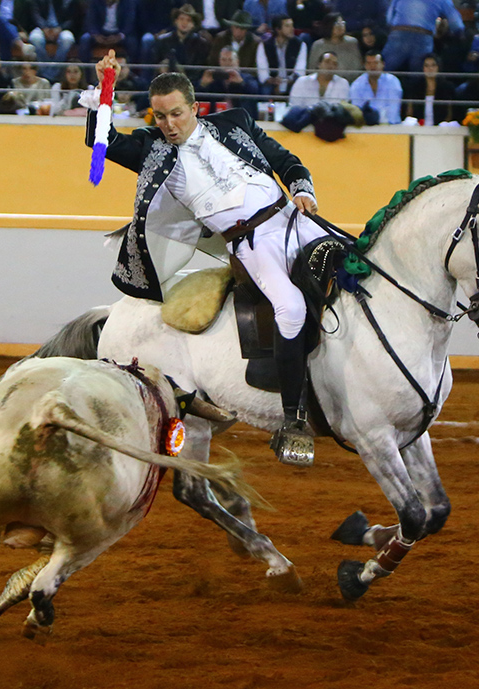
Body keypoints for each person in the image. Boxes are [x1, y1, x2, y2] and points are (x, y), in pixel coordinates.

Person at [85, 49, 328, 462]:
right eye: (159, 117)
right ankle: (293, 418)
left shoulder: (237, 122)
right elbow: (99, 141)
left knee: (354, 268)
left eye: (176, 114)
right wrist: (106, 88)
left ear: (194, 107)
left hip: (292, 220)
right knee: (289, 309)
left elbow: (284, 160)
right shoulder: (152, 150)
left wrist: (302, 188)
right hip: (251, 244)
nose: (168, 125)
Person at [383, 0, 464, 74]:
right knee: (420, 77)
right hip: (423, 38)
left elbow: (389, 18)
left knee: (381, 70)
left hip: (398, 34)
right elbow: (456, 23)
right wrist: (460, 34)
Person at [27, 0, 82, 82]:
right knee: (35, 38)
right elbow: (36, 15)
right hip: (41, 28)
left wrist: (60, 29)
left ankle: (53, 72)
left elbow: (71, 19)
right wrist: (44, 28)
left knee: (67, 39)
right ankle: (45, 71)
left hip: (61, 28)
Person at [197, 45, 259, 118]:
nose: (227, 63)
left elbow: (256, 91)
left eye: (230, 60)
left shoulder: (246, 77)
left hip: (240, 117)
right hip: (217, 118)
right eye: (223, 60)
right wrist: (203, 85)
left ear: (237, 62)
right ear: (219, 61)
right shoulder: (214, 78)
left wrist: (241, 83)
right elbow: (199, 97)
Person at [153, 4, 212, 78]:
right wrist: (161, 68)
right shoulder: (163, 41)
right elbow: (154, 65)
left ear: (193, 24)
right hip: (166, 81)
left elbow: (199, 71)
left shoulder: (201, 44)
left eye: (188, 20)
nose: (184, 23)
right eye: (181, 19)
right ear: (176, 21)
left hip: (191, 84)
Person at [255, 14, 306, 95]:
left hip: (292, 81)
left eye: (292, 25)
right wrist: (272, 81)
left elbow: (300, 70)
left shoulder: (300, 44)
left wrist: (286, 82)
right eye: (287, 26)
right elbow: (262, 71)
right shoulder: (265, 45)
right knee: (265, 91)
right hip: (272, 82)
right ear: (278, 29)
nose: (292, 29)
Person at [78, 0, 139, 64]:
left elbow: (129, 23)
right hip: (100, 33)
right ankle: (85, 70)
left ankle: (132, 71)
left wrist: (120, 36)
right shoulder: (95, 2)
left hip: (119, 33)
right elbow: (90, 21)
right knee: (85, 39)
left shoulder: (128, 3)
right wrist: (96, 35)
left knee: (132, 42)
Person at [350, 50, 402, 124]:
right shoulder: (357, 84)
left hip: (390, 127)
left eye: (376, 63)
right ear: (365, 65)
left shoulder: (392, 81)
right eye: (369, 63)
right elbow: (357, 112)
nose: (372, 66)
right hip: (365, 129)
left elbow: (393, 112)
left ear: (383, 64)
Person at [403, 52, 456, 124]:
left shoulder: (447, 87)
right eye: (426, 66)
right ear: (423, 68)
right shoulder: (415, 87)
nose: (430, 68)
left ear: (438, 67)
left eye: (433, 65)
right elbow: (409, 111)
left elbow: (450, 113)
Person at [307, 13, 362, 81]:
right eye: (337, 24)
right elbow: (312, 70)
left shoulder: (352, 42)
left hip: (349, 83)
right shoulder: (318, 45)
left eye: (342, 23)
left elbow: (357, 68)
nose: (340, 26)